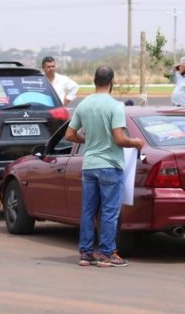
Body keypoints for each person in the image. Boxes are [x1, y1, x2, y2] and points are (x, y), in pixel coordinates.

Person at [65, 66, 144, 268]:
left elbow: (70, 135)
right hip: (109, 165)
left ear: (94, 81)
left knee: (88, 211)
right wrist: (135, 142)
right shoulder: (115, 106)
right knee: (109, 212)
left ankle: (85, 253)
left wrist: (88, 140)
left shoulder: (84, 104)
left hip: (89, 164)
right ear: (112, 82)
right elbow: (119, 139)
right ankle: (107, 254)